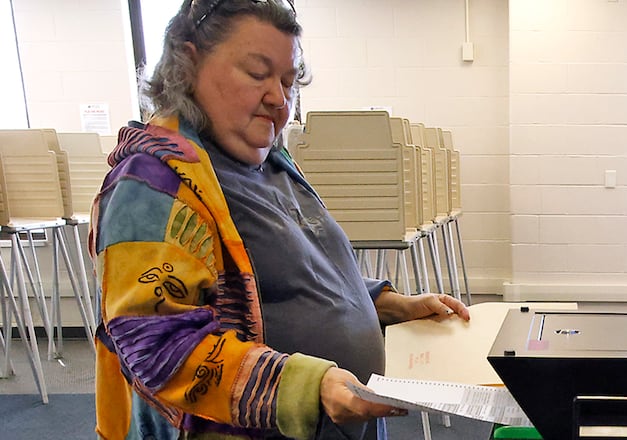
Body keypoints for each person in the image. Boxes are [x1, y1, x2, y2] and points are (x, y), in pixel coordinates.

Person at [88, 0, 470, 439]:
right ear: (189, 63)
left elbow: (294, 276)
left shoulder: (271, 162)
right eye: (257, 74)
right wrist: (309, 387)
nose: (278, 97)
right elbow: (158, 346)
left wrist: (386, 305)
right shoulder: (155, 181)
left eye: (289, 81)